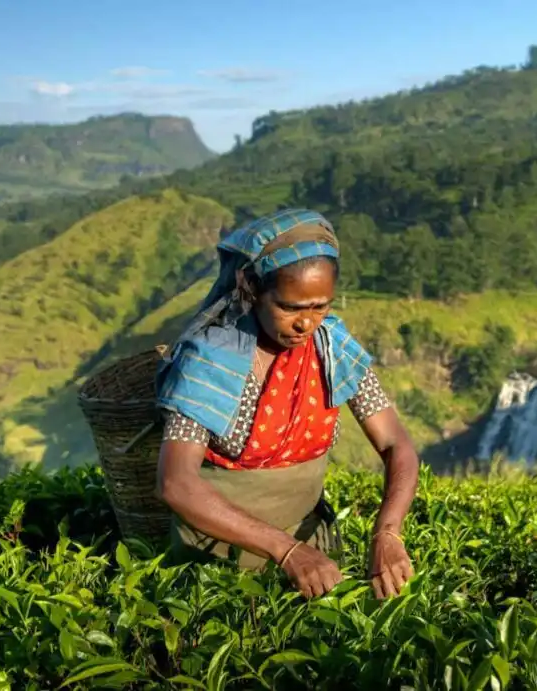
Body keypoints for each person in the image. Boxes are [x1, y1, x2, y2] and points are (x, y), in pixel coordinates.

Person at [154, 208, 420, 599]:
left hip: (313, 552)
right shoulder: (211, 358)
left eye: (320, 306)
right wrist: (286, 550)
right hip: (215, 561)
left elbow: (396, 444)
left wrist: (388, 532)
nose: (305, 323)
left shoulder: (332, 346)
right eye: (290, 307)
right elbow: (176, 484)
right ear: (253, 290)